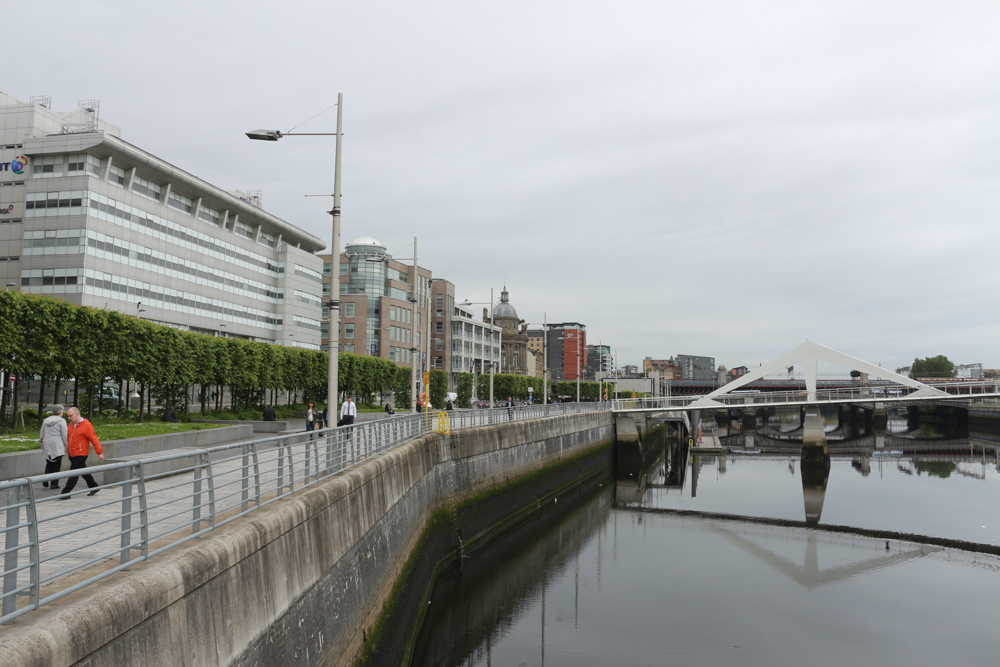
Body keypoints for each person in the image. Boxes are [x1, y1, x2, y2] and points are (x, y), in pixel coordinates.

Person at [60, 407, 104, 499]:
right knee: (83, 471)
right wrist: (68, 448)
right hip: (72, 453)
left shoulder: (87, 425)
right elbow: (69, 438)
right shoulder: (70, 425)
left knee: (74, 473)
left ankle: (66, 492)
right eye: (68, 416)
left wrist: (99, 452)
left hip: (81, 453)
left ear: (76, 414)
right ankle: (94, 486)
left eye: (70, 416)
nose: (69, 418)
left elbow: (94, 439)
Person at [39, 404, 68, 490]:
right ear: (60, 412)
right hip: (57, 444)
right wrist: (67, 445)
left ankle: (45, 480)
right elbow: (64, 434)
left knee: (49, 463)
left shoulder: (46, 421)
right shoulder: (62, 421)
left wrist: (41, 443)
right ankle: (54, 484)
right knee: (56, 464)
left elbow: (42, 433)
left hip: (47, 443)